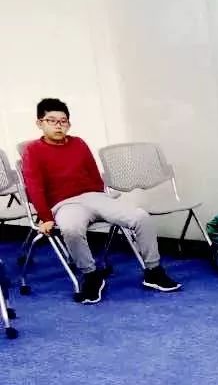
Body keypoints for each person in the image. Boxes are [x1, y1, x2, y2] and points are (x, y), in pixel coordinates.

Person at [21, 99, 180, 304]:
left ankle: (154, 271)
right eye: (52, 120)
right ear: (40, 123)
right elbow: (35, 187)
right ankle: (91, 276)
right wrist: (45, 217)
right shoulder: (33, 150)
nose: (58, 126)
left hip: (94, 196)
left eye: (63, 121)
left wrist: (100, 198)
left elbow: (94, 174)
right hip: (65, 204)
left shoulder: (78, 143)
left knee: (141, 217)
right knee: (71, 229)